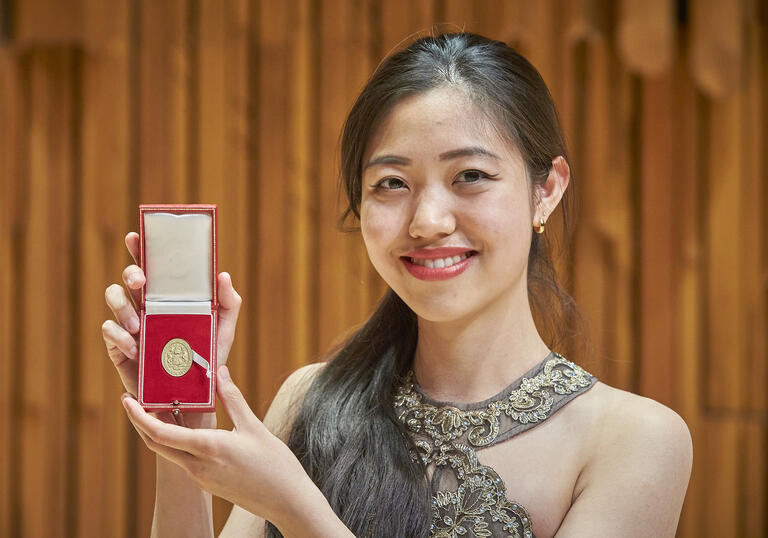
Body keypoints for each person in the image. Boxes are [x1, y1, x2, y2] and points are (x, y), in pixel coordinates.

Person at [102, 32, 692, 537]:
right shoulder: (310, 399)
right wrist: (184, 431)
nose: (427, 221)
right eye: (391, 183)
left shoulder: (636, 442)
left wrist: (297, 511)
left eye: (470, 176)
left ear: (548, 188)